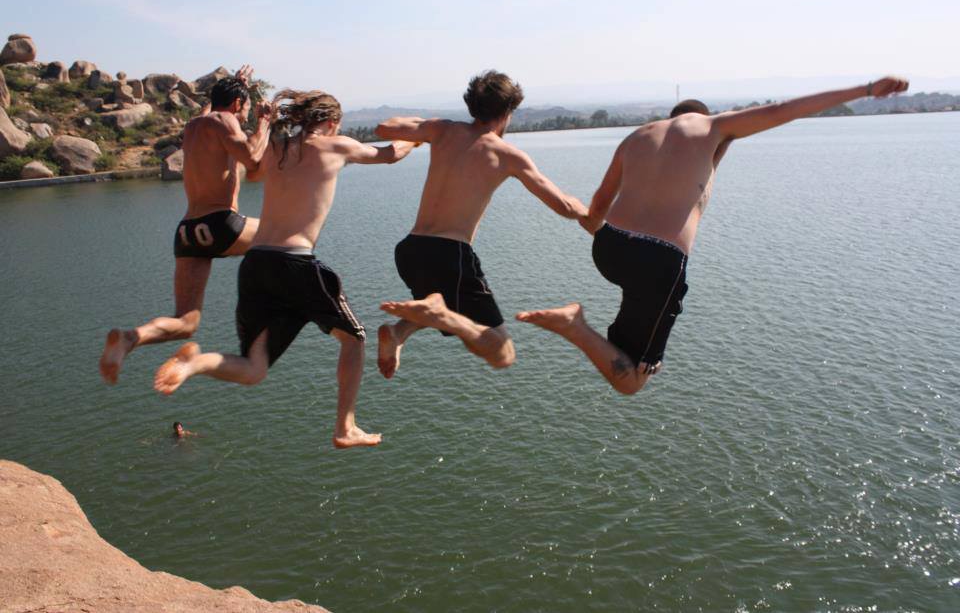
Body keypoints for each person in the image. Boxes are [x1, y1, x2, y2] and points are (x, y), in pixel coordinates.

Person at [517, 76, 910, 394]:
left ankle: (604, 333)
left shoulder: (636, 136)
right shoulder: (713, 126)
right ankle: (575, 325)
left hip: (609, 249)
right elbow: (783, 110)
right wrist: (867, 89)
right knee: (632, 381)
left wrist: (595, 228)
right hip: (658, 263)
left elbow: (598, 206)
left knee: (628, 341)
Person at [153, 89, 417, 448]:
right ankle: (345, 427)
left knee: (253, 368)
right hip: (296, 262)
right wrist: (418, 137)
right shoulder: (335, 145)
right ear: (330, 122)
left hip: (256, 263)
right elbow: (390, 154)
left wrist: (266, 126)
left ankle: (194, 364)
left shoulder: (276, 147)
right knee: (353, 339)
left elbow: (255, 170)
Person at [374, 70, 588, 377]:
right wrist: (588, 211)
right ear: (507, 112)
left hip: (410, 250)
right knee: (502, 352)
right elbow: (563, 206)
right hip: (450, 253)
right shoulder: (506, 154)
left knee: (442, 300)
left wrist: (427, 130)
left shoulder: (443, 130)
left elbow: (384, 127)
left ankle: (398, 333)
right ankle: (441, 316)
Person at [99, 66, 272, 384]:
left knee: (186, 321)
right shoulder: (225, 120)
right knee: (286, 234)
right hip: (221, 222)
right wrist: (264, 122)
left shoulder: (195, 125)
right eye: (244, 109)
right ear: (236, 105)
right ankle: (263, 329)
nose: (244, 117)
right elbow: (252, 156)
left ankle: (129, 338)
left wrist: (239, 87)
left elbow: (213, 108)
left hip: (187, 232)